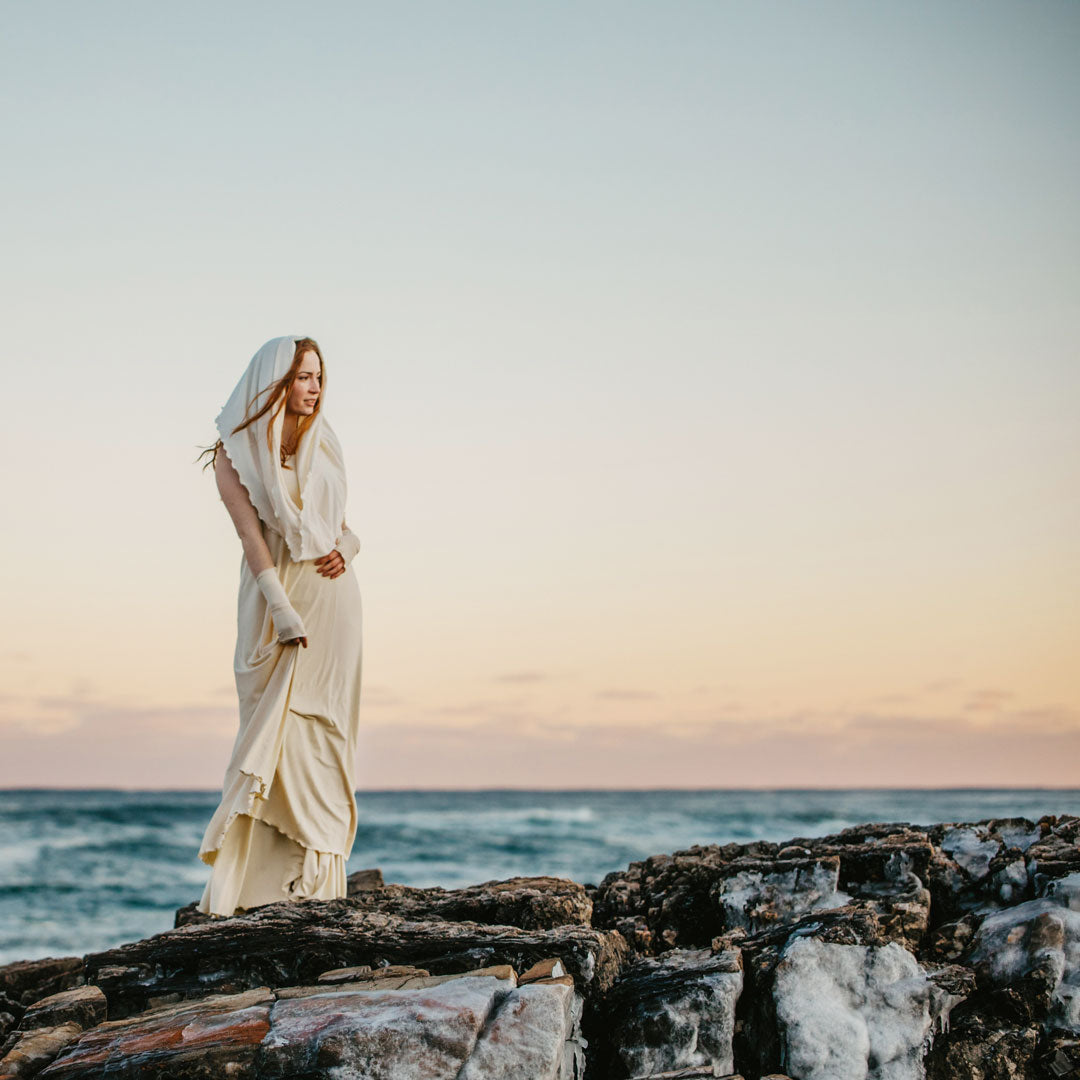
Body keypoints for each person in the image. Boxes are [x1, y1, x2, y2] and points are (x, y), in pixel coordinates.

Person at [193, 335, 363, 916]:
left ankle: (317, 887)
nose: (314, 389)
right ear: (275, 382)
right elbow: (250, 537)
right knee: (276, 734)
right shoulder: (234, 452)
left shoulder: (326, 440)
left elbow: (338, 525)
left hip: (334, 602)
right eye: (302, 377)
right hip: (276, 604)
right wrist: (282, 612)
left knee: (325, 737)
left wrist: (351, 545)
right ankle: (257, 892)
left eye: (319, 377)